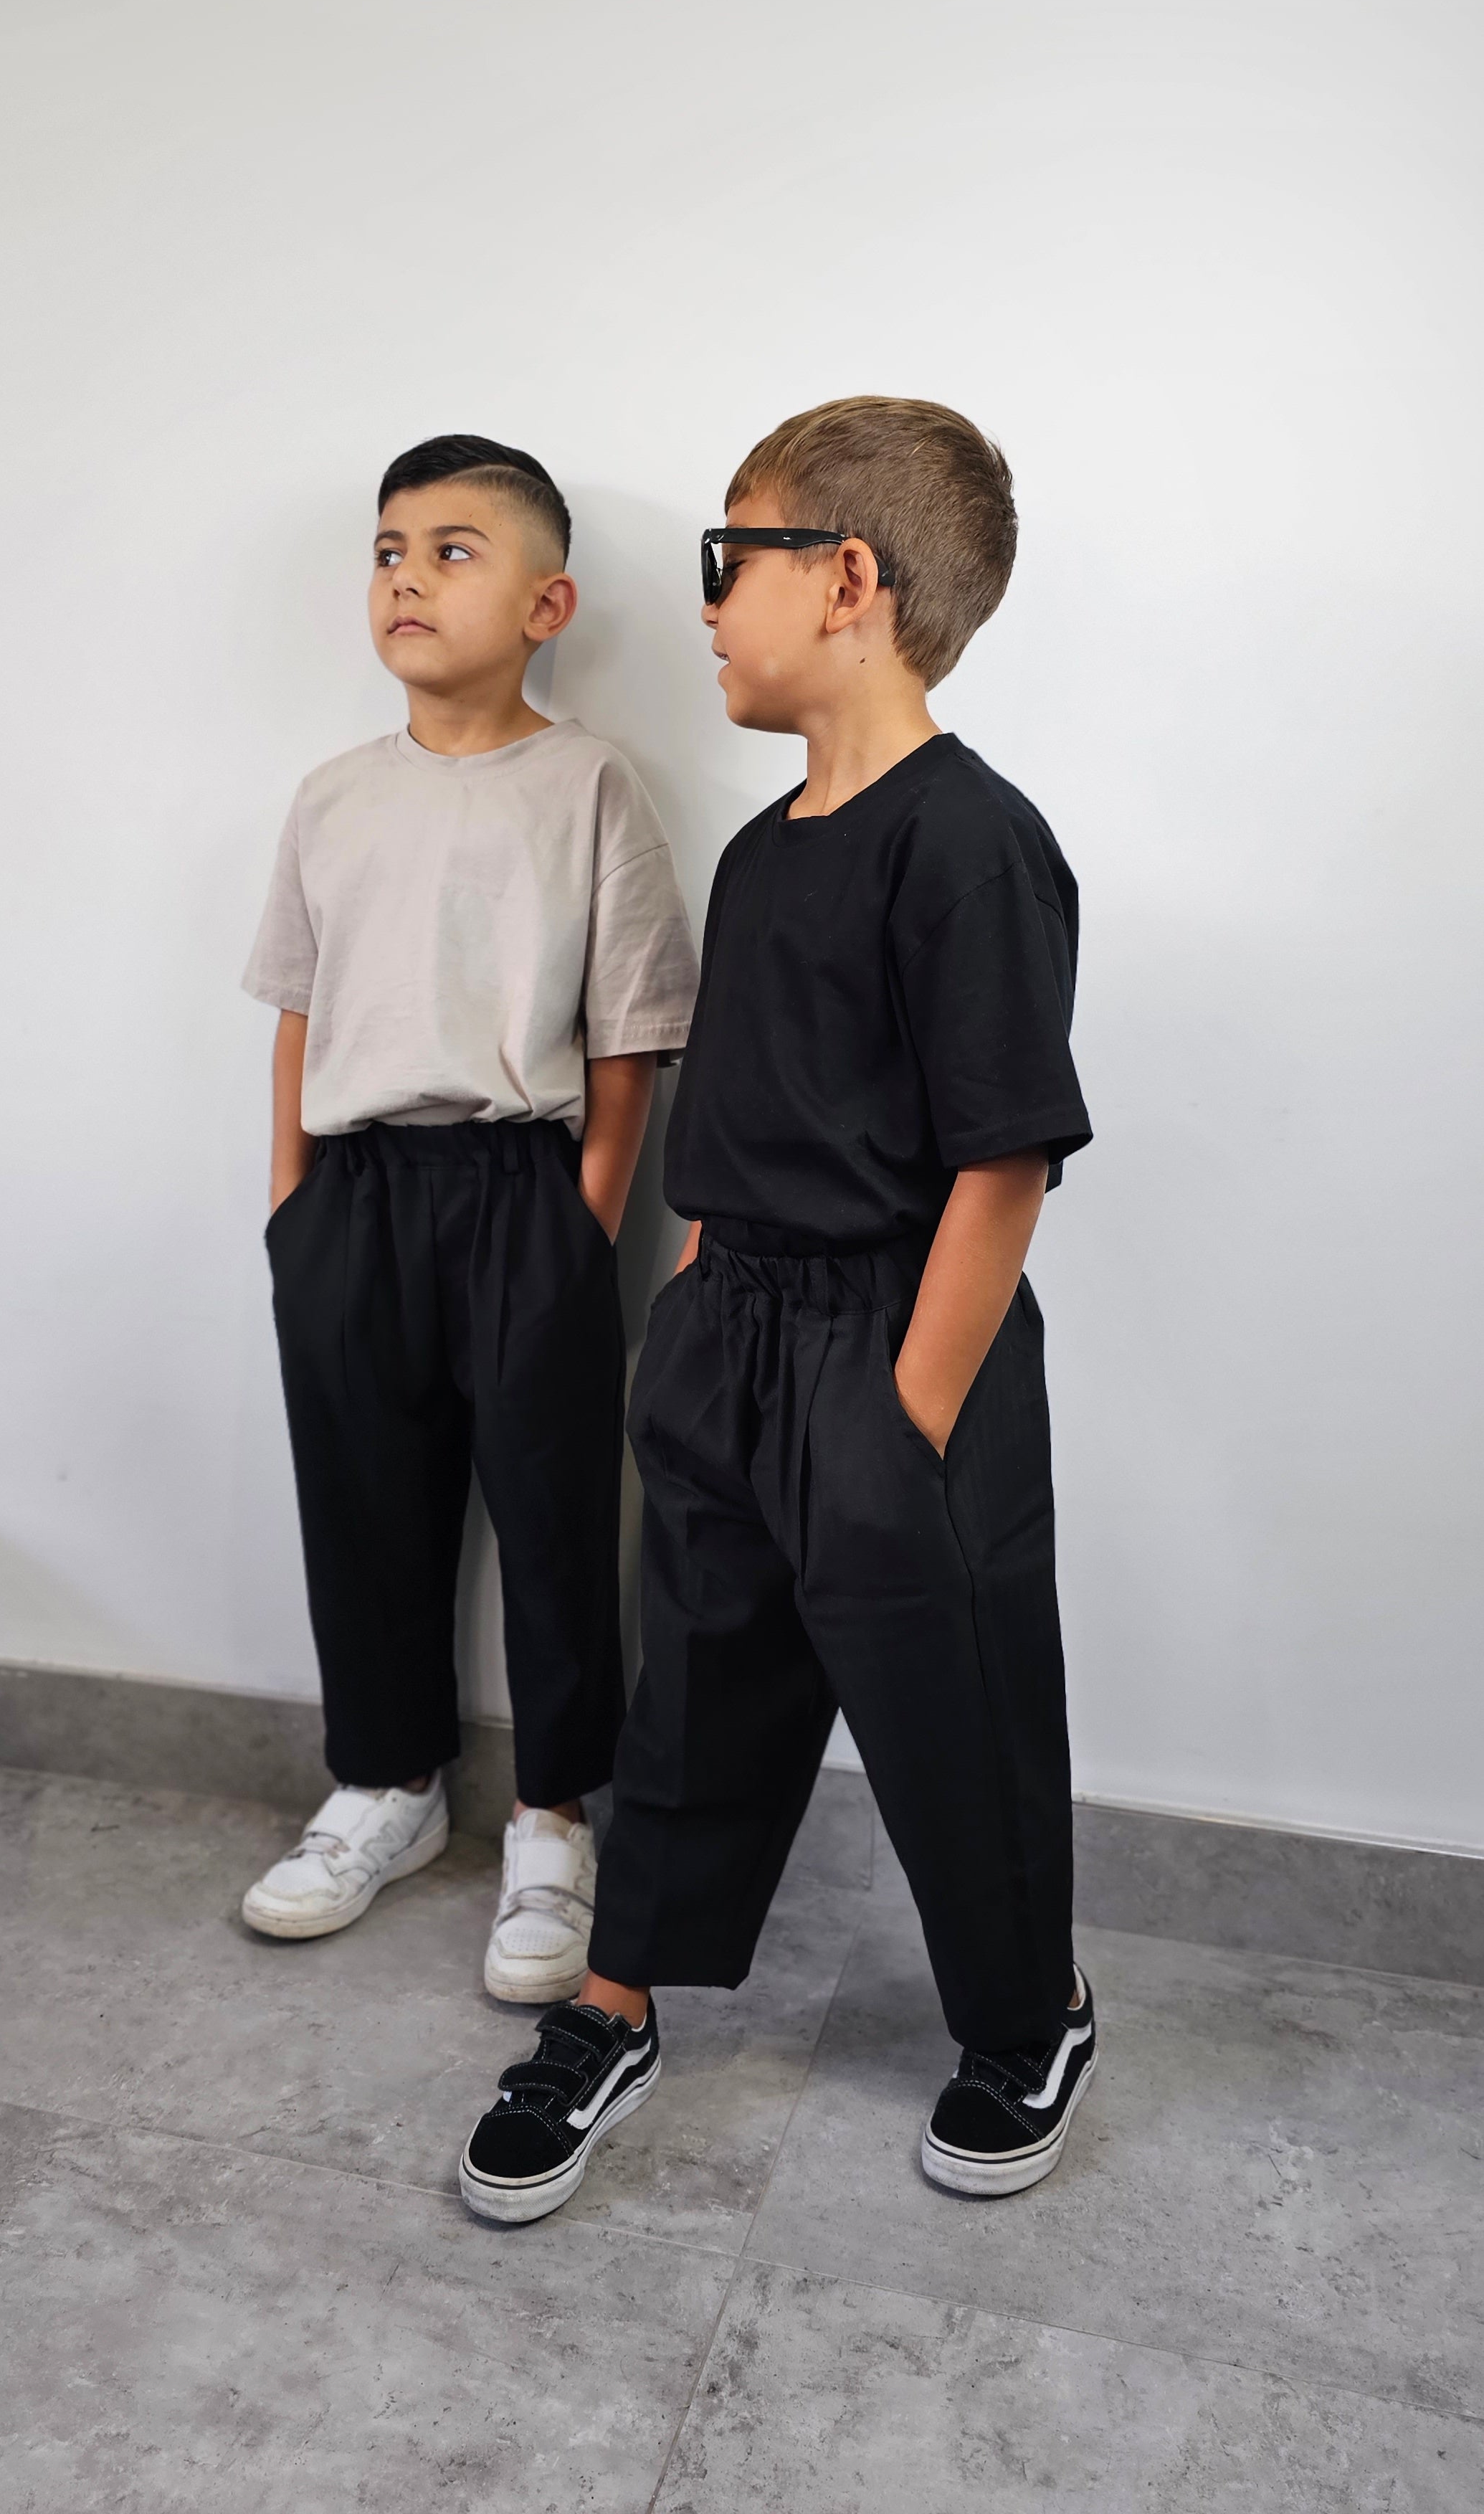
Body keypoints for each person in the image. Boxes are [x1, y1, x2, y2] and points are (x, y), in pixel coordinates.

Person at [458, 394, 1095, 2224]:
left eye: (731, 559)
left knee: (948, 1701)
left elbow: (1001, 1160)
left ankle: (1027, 2014)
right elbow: (739, 1116)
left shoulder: (969, 843)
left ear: (848, 579)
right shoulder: (761, 853)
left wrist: (905, 1417)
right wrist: (690, 1315)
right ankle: (615, 2000)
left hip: (895, 1346)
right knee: (699, 1682)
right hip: (729, 1329)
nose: (709, 601)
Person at [240, 434, 698, 2004]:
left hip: (522, 1190)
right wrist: (294, 1204)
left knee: (558, 1515)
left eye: (452, 550)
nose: (407, 578)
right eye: (388, 550)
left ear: (545, 603)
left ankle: (554, 1817)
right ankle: (386, 1782)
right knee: (362, 1498)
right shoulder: (332, 797)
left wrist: (584, 1222)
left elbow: (632, 1032)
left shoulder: (589, 787)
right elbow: (299, 1009)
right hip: (354, 1194)